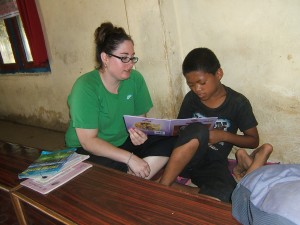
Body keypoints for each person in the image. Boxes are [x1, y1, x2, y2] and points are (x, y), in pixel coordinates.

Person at [159, 47, 273, 202]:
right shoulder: (191, 99)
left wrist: (224, 135)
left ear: (218, 74)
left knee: (228, 196)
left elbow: (253, 141)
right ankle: (163, 186)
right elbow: (181, 130)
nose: (197, 89)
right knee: (198, 131)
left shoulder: (238, 103)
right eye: (191, 84)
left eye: (201, 83)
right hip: (184, 159)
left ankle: (184, 189)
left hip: (212, 163)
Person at [65, 22, 177, 179]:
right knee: (105, 171)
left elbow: (139, 121)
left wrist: (140, 134)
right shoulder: (85, 87)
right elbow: (88, 142)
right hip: (89, 149)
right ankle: (135, 174)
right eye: (124, 58)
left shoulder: (135, 79)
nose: (130, 64)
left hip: (124, 141)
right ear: (105, 58)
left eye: (132, 58)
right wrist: (130, 158)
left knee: (173, 139)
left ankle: (134, 176)